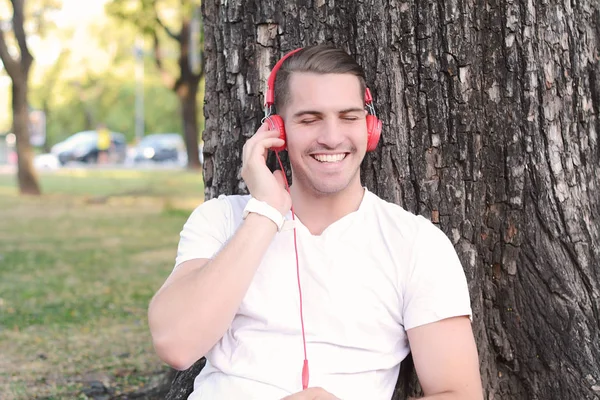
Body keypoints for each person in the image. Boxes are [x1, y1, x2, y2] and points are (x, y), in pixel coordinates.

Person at [148, 45, 483, 400]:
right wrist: (266, 213)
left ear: (370, 128)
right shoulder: (221, 219)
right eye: (310, 119)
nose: (332, 137)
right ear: (276, 130)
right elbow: (176, 345)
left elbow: (459, 393)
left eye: (349, 117)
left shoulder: (416, 244)